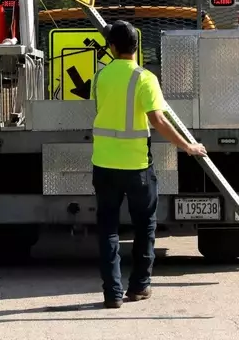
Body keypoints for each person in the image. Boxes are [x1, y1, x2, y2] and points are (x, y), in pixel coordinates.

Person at [90, 20, 208, 308]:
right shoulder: (145, 79)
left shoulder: (100, 77)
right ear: (136, 46)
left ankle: (112, 294)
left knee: (108, 229)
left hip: (104, 164)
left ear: (112, 47)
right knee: (144, 227)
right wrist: (187, 146)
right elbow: (158, 120)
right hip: (137, 166)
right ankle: (139, 287)